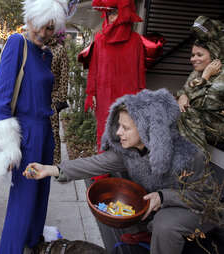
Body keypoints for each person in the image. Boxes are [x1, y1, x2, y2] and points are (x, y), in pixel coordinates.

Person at [24, 89, 219, 254]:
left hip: (194, 210)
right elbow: (94, 163)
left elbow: (205, 198)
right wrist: (51, 169)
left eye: (125, 128)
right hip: (160, 207)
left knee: (164, 224)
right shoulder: (129, 152)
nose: (118, 133)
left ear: (147, 130)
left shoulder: (190, 156)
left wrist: (163, 197)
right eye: (118, 126)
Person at [0, 0, 67, 253]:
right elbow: (1, 98)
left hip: (44, 131)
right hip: (26, 133)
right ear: (31, 18)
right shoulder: (17, 43)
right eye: (43, 27)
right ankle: (11, 249)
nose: (45, 34)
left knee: (40, 194)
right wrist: (10, 146)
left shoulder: (44, 53)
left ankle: (32, 243)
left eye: (50, 30)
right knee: (23, 200)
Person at [84, 0, 146, 151]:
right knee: (104, 133)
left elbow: (140, 71)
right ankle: (103, 172)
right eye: (109, 13)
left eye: (115, 12)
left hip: (128, 97)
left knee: (127, 134)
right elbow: (94, 69)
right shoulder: (99, 39)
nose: (111, 17)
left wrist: (141, 97)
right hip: (105, 95)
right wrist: (91, 92)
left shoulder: (136, 40)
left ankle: (126, 171)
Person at [177, 16, 224, 154]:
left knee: (187, 113)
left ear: (214, 56)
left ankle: (196, 165)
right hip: (210, 123)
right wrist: (182, 95)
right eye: (192, 55)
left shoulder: (220, 74)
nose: (193, 59)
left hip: (219, 127)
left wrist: (205, 78)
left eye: (199, 55)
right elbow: (185, 90)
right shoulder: (198, 72)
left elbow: (200, 103)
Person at [46, 30, 69, 164]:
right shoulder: (35, 47)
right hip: (36, 97)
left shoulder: (60, 50)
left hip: (53, 97)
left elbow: (64, 76)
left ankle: (56, 163)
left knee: (54, 131)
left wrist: (61, 99)